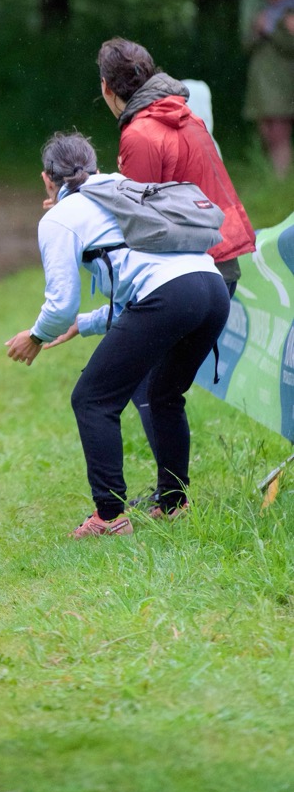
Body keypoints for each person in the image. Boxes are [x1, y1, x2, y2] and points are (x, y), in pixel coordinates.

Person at [6, 131, 231, 537]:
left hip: (170, 295)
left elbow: (61, 304)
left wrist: (36, 336)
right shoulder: (123, 187)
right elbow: (140, 284)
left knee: (92, 399)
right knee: (163, 394)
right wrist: (85, 324)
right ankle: (174, 504)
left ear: (46, 178)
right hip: (211, 287)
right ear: (95, 167)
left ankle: (109, 517)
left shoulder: (59, 218)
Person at [97, 37, 255, 489]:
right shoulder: (184, 115)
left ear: (107, 88)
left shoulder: (140, 133)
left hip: (191, 273)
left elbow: (141, 223)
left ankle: (172, 497)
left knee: (149, 385)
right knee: (160, 386)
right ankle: (173, 496)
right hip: (220, 266)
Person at [242, 0, 294, 177]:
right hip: (260, 82)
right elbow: (247, 46)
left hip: (282, 81)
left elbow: (290, 47)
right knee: (265, 130)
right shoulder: (263, 12)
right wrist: (257, 29)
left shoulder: (290, 13)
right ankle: (273, 176)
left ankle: (281, 180)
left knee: (280, 131)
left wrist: (272, 31)